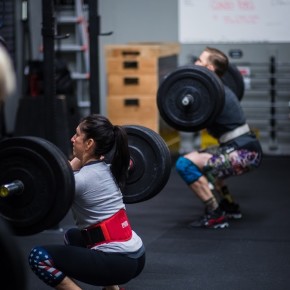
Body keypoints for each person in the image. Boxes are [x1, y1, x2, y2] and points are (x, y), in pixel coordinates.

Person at [28, 114, 146, 290]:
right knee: (72, 236)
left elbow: (57, 179)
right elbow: (67, 172)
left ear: (89, 143)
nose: (72, 139)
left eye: (77, 135)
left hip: (118, 262)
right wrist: (85, 154)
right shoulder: (110, 168)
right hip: (136, 255)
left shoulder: (81, 180)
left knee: (38, 257)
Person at [175, 47, 263, 229]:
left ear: (210, 68)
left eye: (199, 61)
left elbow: (191, 122)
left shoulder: (214, 95)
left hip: (243, 152)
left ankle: (215, 212)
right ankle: (229, 206)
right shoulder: (217, 90)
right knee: (208, 164)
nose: (195, 64)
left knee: (184, 164)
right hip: (243, 148)